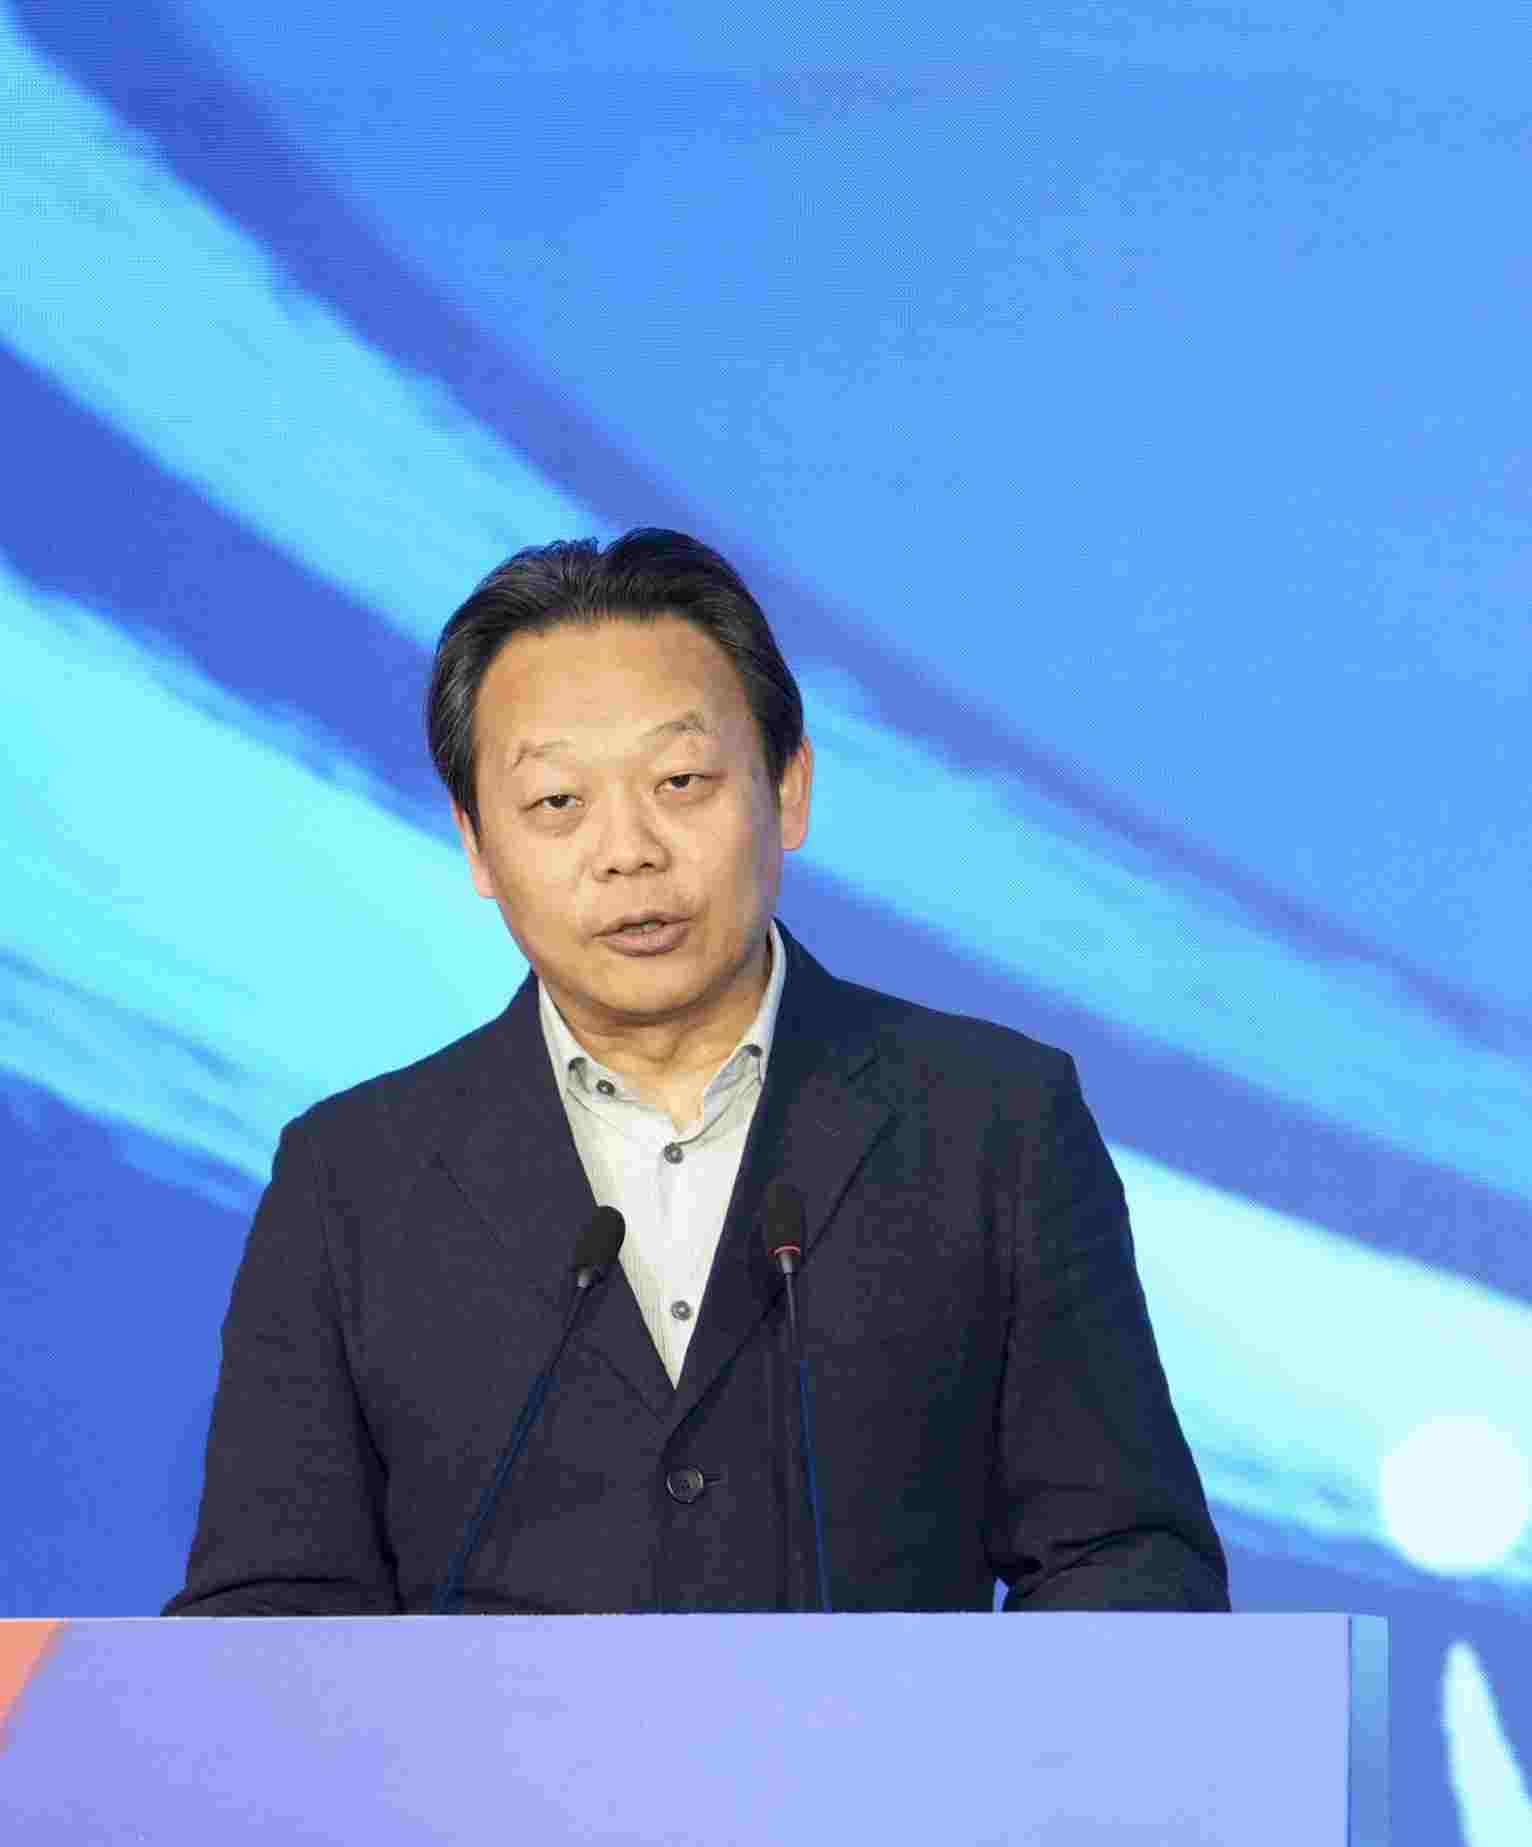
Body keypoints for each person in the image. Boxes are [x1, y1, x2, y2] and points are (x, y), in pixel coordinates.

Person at [169, 528, 1227, 1616]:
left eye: (680, 781)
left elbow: (1125, 1558)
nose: (628, 850)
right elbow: (268, 1610)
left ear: (789, 788)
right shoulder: (350, 1180)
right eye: (557, 803)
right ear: (478, 845)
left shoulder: (991, 1123)